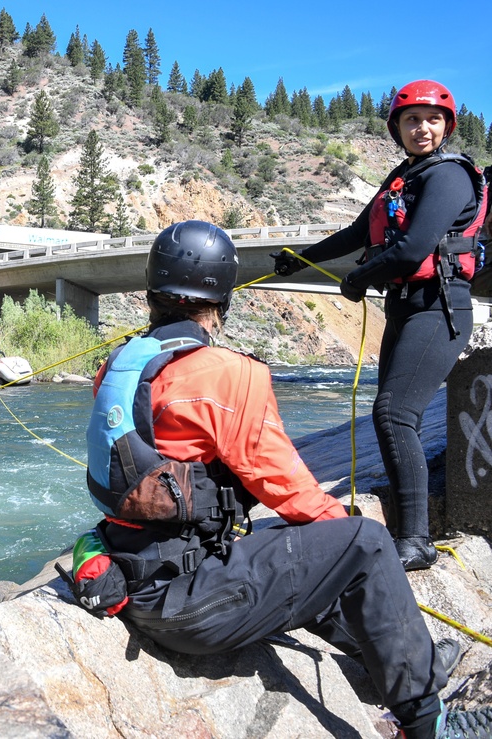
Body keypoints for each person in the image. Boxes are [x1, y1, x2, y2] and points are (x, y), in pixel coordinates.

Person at [85, 220, 490, 739]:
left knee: (309, 549)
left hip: (139, 577)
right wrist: (340, 521)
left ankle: (412, 663)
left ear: (152, 295)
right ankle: (429, 723)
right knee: (361, 542)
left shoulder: (120, 363)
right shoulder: (226, 371)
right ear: (221, 300)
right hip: (191, 606)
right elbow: (285, 486)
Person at [271, 80, 489, 571]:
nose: (423, 128)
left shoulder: (449, 177)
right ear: (397, 128)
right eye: (412, 120)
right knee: (387, 415)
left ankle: (416, 541)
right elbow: (356, 232)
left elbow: (413, 250)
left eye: (433, 119)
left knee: (395, 415)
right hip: (406, 307)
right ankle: (410, 531)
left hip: (440, 309)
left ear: (447, 126)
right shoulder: (403, 177)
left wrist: (359, 278)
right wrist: (297, 258)